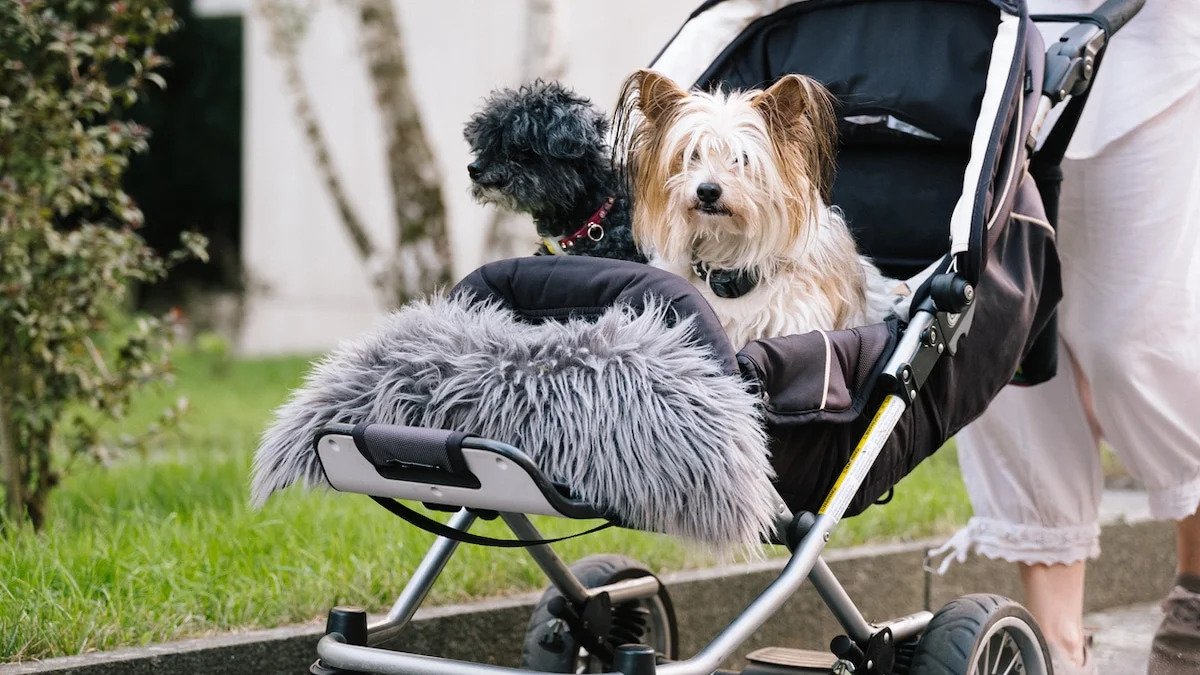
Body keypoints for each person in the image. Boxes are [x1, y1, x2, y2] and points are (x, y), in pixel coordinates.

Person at [941, 1, 1200, 674]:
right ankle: (1056, 646)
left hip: (1144, 45)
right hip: (983, 52)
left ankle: (1198, 589)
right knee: (1008, 343)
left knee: (1133, 341)